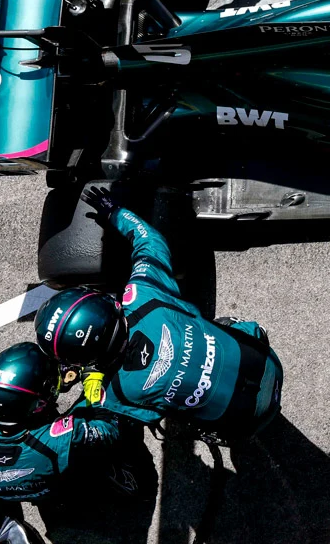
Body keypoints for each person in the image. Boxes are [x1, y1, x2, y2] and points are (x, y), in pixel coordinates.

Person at [81, 186, 286, 437]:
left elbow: (147, 416)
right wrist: (114, 211)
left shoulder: (114, 393)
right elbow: (149, 241)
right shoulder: (143, 297)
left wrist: (92, 379)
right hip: (268, 363)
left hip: (244, 421)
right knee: (225, 325)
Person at [0, 342, 141, 502]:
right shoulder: (60, 435)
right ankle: (116, 477)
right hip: (55, 488)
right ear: (37, 405)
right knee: (119, 419)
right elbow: (109, 429)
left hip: (4, 492)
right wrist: (92, 383)